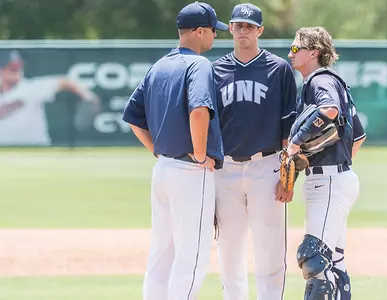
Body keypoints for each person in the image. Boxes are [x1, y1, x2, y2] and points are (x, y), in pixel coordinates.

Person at [121, 2, 227, 299]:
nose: (214, 37)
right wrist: (201, 153)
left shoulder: (160, 66)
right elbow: (199, 110)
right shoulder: (199, 65)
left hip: (164, 170)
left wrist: (157, 150)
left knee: (161, 254)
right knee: (191, 257)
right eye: (212, 31)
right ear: (198, 31)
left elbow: (132, 117)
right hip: (190, 171)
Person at [211, 3, 298, 300]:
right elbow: (209, 124)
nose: (243, 31)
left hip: (267, 165)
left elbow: (289, 125)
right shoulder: (215, 70)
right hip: (226, 169)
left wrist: (290, 171)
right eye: (238, 25)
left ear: (260, 30)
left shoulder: (279, 69)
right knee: (229, 250)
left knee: (270, 249)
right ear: (231, 29)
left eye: (249, 26)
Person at [285, 26, 365, 299]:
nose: (290, 53)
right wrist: (336, 164)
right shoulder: (334, 82)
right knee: (334, 264)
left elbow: (329, 109)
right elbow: (358, 137)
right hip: (336, 178)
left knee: (313, 258)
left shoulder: (320, 81)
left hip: (329, 181)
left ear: (314, 52)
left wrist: (298, 140)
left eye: (296, 48)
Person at [0, 49, 100, 146]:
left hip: (37, 150)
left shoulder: (29, 88)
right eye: (12, 68)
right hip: (6, 152)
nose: (17, 70)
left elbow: (65, 81)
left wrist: (88, 96)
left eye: (18, 66)